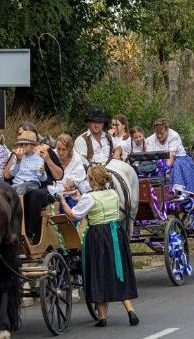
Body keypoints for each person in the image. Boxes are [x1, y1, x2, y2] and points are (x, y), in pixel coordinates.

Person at [60, 166, 139, 326]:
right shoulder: (113, 194)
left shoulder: (89, 198)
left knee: (98, 272)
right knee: (118, 270)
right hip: (115, 232)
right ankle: (130, 311)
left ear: (91, 181)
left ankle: (102, 317)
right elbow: (96, 203)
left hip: (98, 235)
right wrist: (80, 199)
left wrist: (62, 199)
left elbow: (72, 215)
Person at [14, 121, 64, 243]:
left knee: (34, 194)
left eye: (25, 134)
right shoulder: (18, 153)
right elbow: (8, 174)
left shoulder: (45, 151)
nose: (22, 137)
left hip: (42, 187)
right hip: (20, 184)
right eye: (19, 134)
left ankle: (29, 233)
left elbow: (59, 175)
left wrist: (47, 159)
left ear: (35, 136)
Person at [146, 119, 194, 199]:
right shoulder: (150, 139)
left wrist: (166, 168)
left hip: (179, 159)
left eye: (161, 133)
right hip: (160, 160)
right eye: (157, 133)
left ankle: (181, 191)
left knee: (176, 164)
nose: (159, 136)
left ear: (167, 131)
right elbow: (149, 155)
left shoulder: (174, 136)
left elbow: (171, 155)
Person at [48, 134, 89, 208]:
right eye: (58, 149)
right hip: (54, 191)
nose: (60, 152)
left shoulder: (76, 158)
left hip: (71, 192)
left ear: (69, 149)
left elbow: (78, 177)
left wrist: (72, 183)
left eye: (64, 150)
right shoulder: (52, 155)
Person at [3, 131, 47, 196]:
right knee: (8, 190)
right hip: (17, 182)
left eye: (26, 144)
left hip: (32, 182)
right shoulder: (18, 156)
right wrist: (18, 161)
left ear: (33, 145)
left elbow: (42, 179)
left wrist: (43, 173)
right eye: (22, 144)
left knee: (21, 188)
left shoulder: (38, 159)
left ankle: (20, 206)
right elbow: (12, 173)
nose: (23, 146)